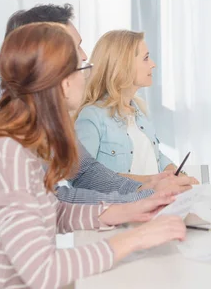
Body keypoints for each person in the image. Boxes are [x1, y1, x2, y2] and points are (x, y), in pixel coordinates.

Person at [0, 23, 187, 288]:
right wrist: (135, 239)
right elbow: (44, 270)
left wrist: (128, 210)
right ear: (64, 82)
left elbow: (51, 210)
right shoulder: (6, 156)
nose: (87, 75)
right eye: (82, 69)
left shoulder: (22, 142)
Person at [75, 30, 198, 183]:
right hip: (126, 205)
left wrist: (177, 174)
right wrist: (152, 181)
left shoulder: (138, 111)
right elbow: (82, 178)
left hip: (153, 203)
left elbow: (155, 156)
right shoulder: (92, 116)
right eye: (146, 58)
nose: (153, 64)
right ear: (122, 65)